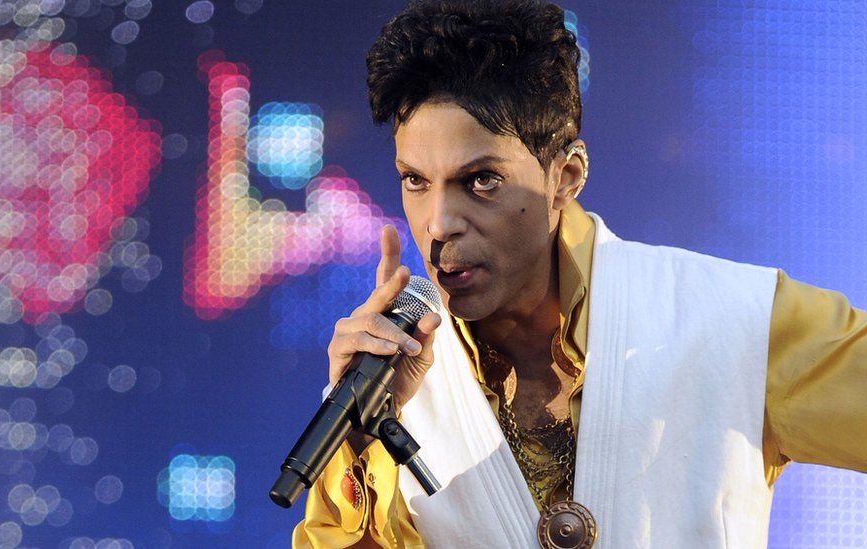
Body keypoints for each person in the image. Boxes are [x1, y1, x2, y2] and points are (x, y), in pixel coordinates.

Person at [292, 1, 867, 547]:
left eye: (481, 180)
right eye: (415, 180)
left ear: (565, 176)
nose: (438, 224)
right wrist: (360, 440)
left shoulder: (735, 319)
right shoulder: (384, 382)